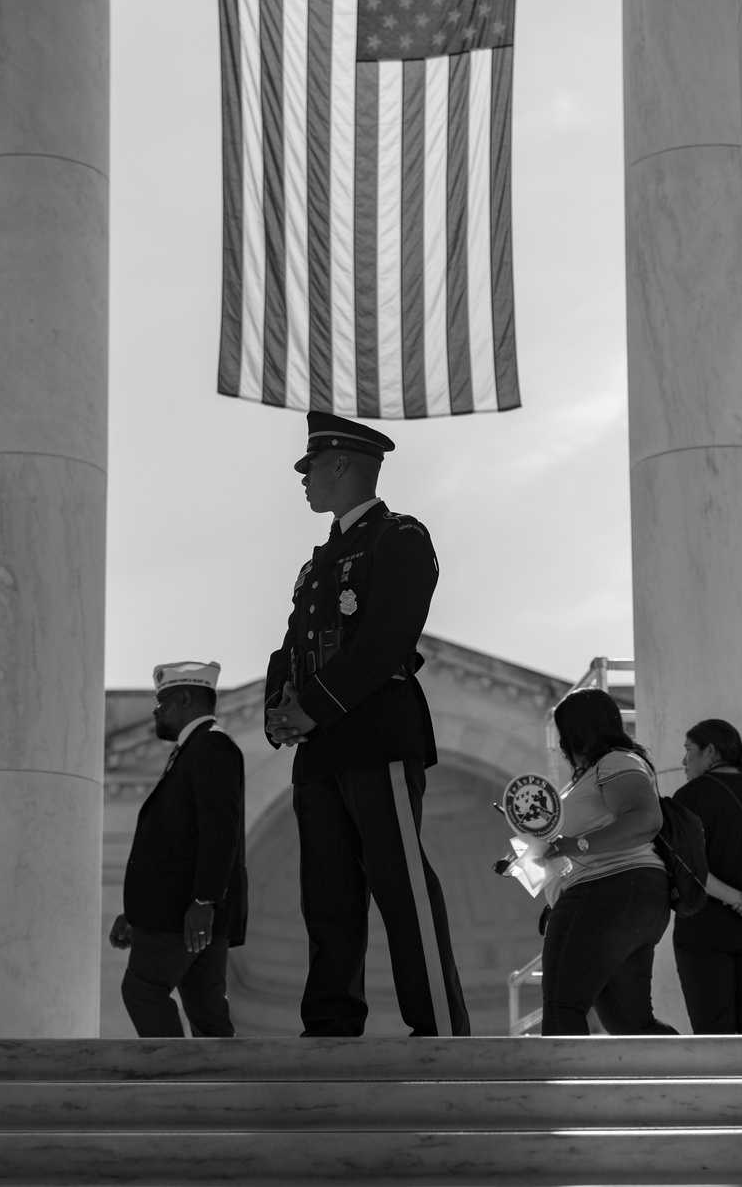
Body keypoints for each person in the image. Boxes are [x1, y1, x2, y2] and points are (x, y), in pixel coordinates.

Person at [265, 411, 469, 1038]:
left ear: (344, 465)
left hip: (375, 731)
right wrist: (280, 711)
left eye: (311, 467)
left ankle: (436, 1022)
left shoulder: (397, 538)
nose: (303, 479)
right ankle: (329, 1023)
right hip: (320, 748)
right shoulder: (316, 564)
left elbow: (386, 639)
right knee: (327, 897)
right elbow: (291, 649)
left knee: (399, 881)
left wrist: (314, 706)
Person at [110, 660, 246, 1037]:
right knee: (207, 1014)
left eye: (161, 700)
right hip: (189, 911)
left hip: (185, 911)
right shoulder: (194, 749)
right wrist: (137, 912)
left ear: (184, 698)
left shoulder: (211, 745)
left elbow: (221, 830)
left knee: (142, 991)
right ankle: (218, 1093)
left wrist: (204, 901)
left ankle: (170, 1081)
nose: (155, 710)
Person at [541, 689, 677, 1037]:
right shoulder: (601, 769)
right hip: (626, 896)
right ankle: (694, 1082)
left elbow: (645, 819)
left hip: (607, 891)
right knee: (633, 1026)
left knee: (562, 1010)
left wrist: (578, 844)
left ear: (575, 733)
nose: (561, 746)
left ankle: (563, 1092)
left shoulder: (615, 762)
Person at [671, 718, 742, 1033]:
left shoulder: (688, 797)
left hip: (705, 931)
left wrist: (740, 901)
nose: (684, 760)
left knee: (714, 1035)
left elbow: (688, 869)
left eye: (689, 750)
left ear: (710, 751)